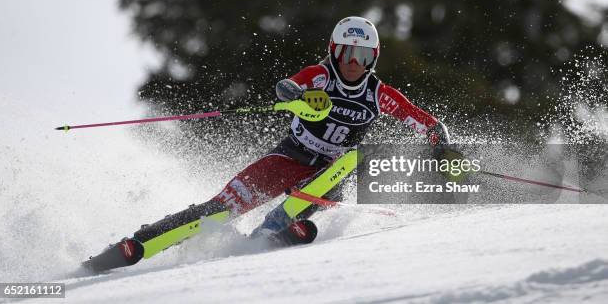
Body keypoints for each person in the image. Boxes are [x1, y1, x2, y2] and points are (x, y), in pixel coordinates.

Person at [84, 16, 450, 271]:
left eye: (363, 56)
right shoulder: (321, 77)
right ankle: (138, 244)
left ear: (374, 58)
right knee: (222, 207)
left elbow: (417, 117)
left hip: (331, 172)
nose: (354, 64)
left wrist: (436, 135)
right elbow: (291, 85)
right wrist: (297, 96)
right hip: (289, 157)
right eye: (346, 54)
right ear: (333, 52)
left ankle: (283, 224)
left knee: (354, 160)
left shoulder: (378, 93)